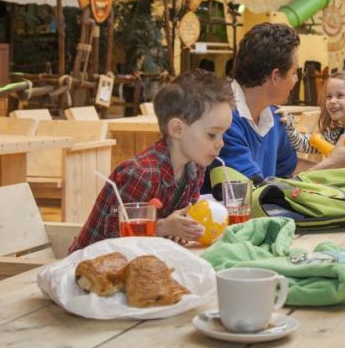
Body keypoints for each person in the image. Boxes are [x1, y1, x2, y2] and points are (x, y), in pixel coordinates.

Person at [69, 70, 234, 251]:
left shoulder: (195, 168)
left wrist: (181, 230)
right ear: (177, 129)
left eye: (223, 134)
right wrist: (163, 227)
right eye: (212, 134)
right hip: (90, 261)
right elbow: (114, 233)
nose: (221, 143)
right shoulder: (141, 174)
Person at [207, 22, 345, 189]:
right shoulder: (224, 119)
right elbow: (256, 191)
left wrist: (338, 168)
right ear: (275, 76)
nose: (296, 79)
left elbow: (290, 169)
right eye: (294, 73)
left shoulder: (275, 116)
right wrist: (332, 163)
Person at [282, 69, 345, 173]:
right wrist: (289, 127)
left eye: (340, 96)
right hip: (344, 181)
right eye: (329, 96)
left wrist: (335, 154)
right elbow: (303, 145)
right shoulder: (337, 133)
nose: (332, 101)